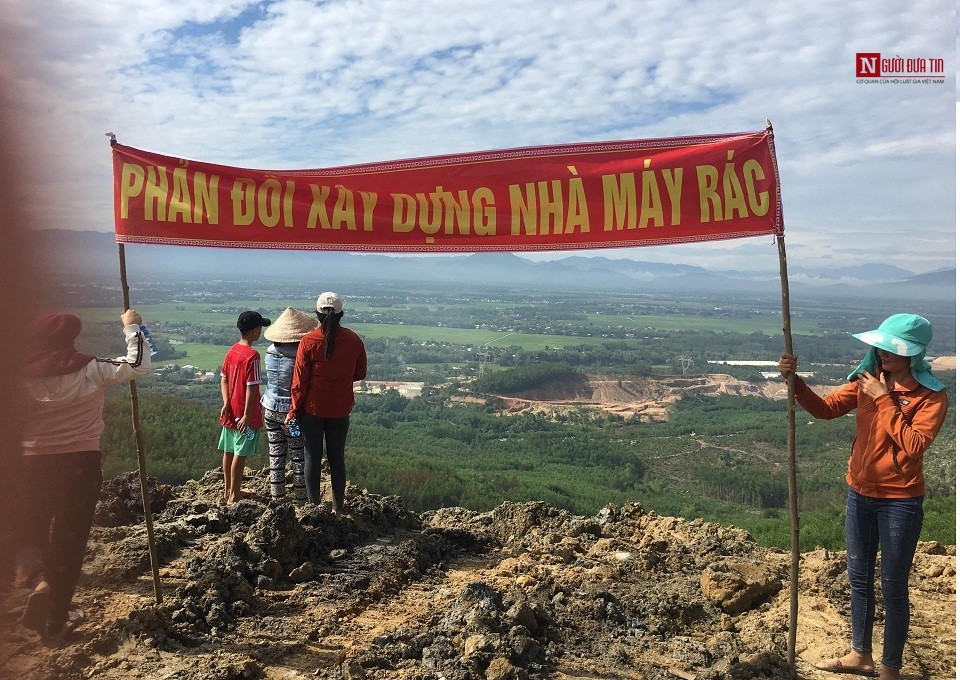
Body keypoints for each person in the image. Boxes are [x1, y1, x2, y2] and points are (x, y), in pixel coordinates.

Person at [779, 314, 948, 680]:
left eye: (893, 348)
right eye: (882, 345)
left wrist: (885, 400)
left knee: (893, 585)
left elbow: (915, 445)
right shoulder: (866, 382)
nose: (883, 352)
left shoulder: (931, 396)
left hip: (900, 500)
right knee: (858, 577)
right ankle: (861, 655)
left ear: (914, 355)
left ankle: (890, 669)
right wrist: (794, 381)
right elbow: (824, 409)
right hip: (859, 493)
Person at [16, 309, 151, 639]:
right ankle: (55, 622)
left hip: (32, 466)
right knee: (70, 543)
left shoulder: (18, 378)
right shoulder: (91, 369)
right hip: (81, 466)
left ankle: (38, 579)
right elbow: (138, 365)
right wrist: (132, 325)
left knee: (24, 532)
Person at [287, 292, 367, 515]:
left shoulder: (309, 341)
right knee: (336, 458)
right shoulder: (353, 340)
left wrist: (294, 410)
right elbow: (360, 372)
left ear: (317, 315)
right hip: (340, 408)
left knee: (312, 456)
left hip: (312, 409)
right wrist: (339, 378)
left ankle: (314, 509)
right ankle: (337, 510)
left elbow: (299, 382)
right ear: (341, 314)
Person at [260, 307, 317, 501]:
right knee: (298, 458)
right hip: (291, 413)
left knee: (276, 457)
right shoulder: (299, 354)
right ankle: (302, 502)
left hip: (269, 407)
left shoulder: (270, 351)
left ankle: (278, 500)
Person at [218, 310, 271, 505]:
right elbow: (252, 387)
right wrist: (248, 415)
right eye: (259, 328)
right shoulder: (253, 356)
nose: (260, 331)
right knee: (240, 454)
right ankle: (234, 496)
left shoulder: (232, 350)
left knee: (228, 451)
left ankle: (229, 491)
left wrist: (225, 403)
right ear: (254, 330)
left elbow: (223, 379)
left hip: (230, 410)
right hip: (243, 414)